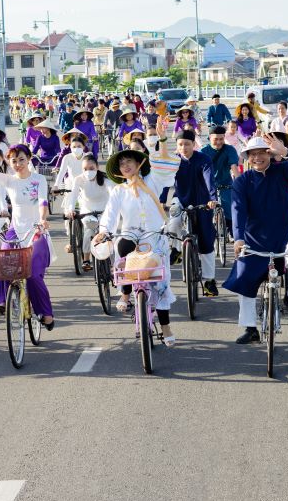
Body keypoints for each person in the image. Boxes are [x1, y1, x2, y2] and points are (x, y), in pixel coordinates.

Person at [94, 119, 179, 345]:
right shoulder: (119, 191)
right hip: (130, 233)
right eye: (121, 164)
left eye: (129, 161)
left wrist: (161, 140)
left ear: (139, 163)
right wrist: (103, 232)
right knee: (121, 246)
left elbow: (166, 165)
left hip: (155, 234)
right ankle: (125, 293)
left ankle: (166, 327)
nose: (125, 166)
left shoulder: (153, 180)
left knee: (160, 282)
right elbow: (110, 215)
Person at [224, 135, 288, 344]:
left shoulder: (282, 171)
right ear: (248, 158)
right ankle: (250, 327)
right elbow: (238, 210)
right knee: (244, 277)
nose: (258, 157)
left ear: (270, 154)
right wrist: (238, 238)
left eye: (262, 152)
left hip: (285, 231)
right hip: (254, 237)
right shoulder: (242, 181)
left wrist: (285, 152)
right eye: (253, 154)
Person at [0, 134, 55, 328]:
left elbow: (43, 201)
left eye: (21, 160)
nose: (18, 164)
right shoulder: (9, 181)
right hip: (16, 230)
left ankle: (46, 313)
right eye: (14, 160)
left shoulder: (39, 179)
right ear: (9, 162)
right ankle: (4, 301)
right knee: (2, 260)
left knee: (33, 275)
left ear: (29, 160)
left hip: (36, 231)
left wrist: (43, 219)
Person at [165, 128, 219, 296]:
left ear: (194, 144)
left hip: (203, 202)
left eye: (187, 144)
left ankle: (209, 281)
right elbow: (166, 180)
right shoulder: (174, 161)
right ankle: (176, 249)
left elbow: (209, 178)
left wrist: (212, 198)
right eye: (180, 144)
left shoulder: (203, 159)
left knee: (206, 242)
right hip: (180, 199)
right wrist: (160, 200)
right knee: (173, 222)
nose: (184, 147)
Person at [65, 153, 111, 272]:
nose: (88, 171)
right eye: (85, 169)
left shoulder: (105, 179)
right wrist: (70, 209)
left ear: (97, 167)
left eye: (91, 168)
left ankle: (110, 260)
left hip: (104, 210)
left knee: (107, 232)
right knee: (88, 231)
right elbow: (73, 195)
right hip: (87, 211)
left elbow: (113, 192)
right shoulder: (79, 179)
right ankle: (86, 259)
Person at [200, 125, 238, 227]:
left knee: (230, 210)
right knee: (205, 212)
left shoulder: (230, 149)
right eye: (215, 139)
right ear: (210, 138)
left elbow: (234, 167)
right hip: (207, 186)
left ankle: (231, 232)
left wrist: (239, 183)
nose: (218, 142)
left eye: (221, 139)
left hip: (225, 183)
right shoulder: (203, 152)